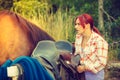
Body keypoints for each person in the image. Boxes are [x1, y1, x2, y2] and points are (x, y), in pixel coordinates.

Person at [74, 13, 108, 80]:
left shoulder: (99, 41)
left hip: (94, 76)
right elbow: (77, 54)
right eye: (75, 24)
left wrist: (85, 68)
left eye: (78, 24)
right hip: (81, 74)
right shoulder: (78, 37)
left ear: (87, 25)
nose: (75, 27)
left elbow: (102, 63)